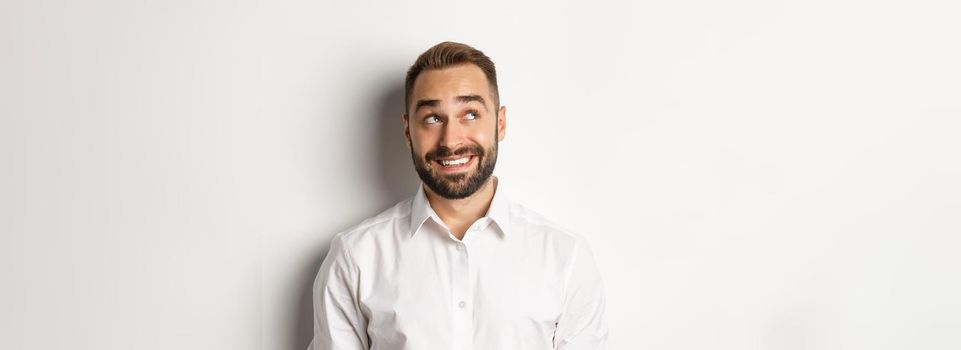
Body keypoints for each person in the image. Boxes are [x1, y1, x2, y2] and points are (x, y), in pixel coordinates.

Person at [308, 41, 608, 350]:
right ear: (408, 130)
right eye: (433, 118)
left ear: (500, 123)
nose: (451, 140)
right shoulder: (355, 257)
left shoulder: (566, 258)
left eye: (470, 114)